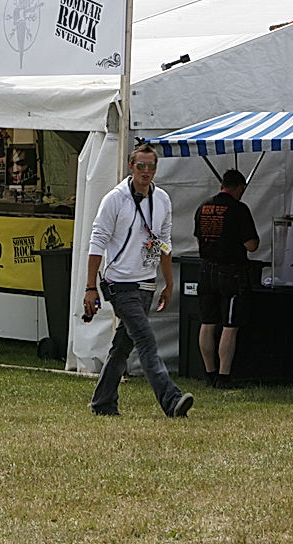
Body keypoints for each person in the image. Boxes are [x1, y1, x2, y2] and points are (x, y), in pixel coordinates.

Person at [83, 144, 193, 418]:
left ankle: (103, 402)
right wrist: (89, 287)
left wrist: (168, 282)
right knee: (145, 339)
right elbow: (97, 242)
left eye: (151, 166)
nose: (146, 171)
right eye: (141, 166)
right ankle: (171, 400)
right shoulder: (115, 199)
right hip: (120, 285)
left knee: (123, 346)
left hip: (146, 284)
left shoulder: (162, 200)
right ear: (131, 167)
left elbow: (162, 244)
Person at [194, 169, 259, 389]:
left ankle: (209, 372)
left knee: (207, 323)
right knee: (229, 325)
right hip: (231, 272)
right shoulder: (239, 209)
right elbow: (251, 245)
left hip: (205, 270)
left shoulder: (203, 207)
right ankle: (224, 376)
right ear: (239, 188)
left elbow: (198, 239)